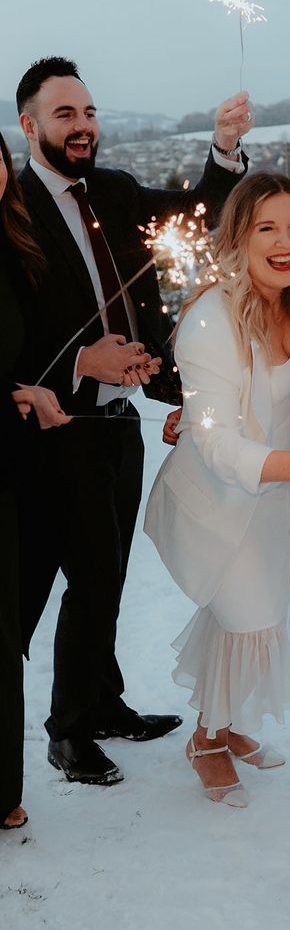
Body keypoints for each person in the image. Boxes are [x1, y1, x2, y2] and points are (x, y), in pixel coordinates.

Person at [14, 56, 254, 787]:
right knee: (87, 576)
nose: (83, 127)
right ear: (28, 126)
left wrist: (222, 151)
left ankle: (105, 700)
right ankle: (69, 731)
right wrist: (81, 362)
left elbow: (197, 214)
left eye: (88, 113)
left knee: (110, 573)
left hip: (122, 423)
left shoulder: (113, 192)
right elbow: (13, 338)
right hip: (59, 428)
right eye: (65, 115)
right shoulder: (11, 210)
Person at [145, 172, 290, 806]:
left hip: (271, 496)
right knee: (243, 616)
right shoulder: (212, 317)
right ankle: (204, 738)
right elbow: (212, 439)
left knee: (254, 613)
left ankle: (226, 725)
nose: (285, 242)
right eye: (266, 227)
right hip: (222, 501)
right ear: (238, 237)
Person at [0, 131, 71, 831]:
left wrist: (32, 387)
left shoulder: (12, 250)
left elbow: (32, 349)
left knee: (4, 630)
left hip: (12, 470)